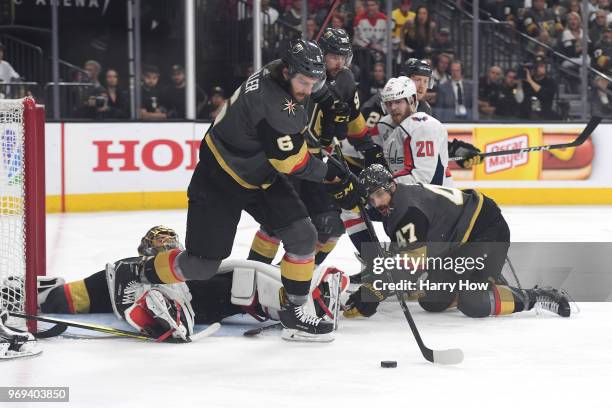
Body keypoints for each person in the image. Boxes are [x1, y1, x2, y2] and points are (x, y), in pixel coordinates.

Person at [108, 40, 348, 340]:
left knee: (303, 236)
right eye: (304, 82)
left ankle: (295, 313)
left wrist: (328, 99)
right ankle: (135, 273)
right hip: (219, 178)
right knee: (201, 265)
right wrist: (330, 172)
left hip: (258, 172)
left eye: (315, 83)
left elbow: (308, 95)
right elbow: (292, 162)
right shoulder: (271, 104)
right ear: (287, 73)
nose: (308, 90)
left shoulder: (279, 69)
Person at [2, 226, 348, 343]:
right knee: (125, 279)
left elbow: (249, 280)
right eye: (159, 242)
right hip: (158, 291)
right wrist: (26, 293)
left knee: (250, 281)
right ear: (145, 250)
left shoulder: (195, 266)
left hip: (203, 299)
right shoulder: (126, 267)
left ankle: (311, 300)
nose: (166, 245)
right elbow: (71, 295)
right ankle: (160, 311)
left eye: (171, 241)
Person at [343, 164, 573, 320]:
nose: (377, 202)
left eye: (379, 194)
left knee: (473, 303)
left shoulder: (407, 212)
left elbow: (409, 268)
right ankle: (484, 282)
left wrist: (372, 293)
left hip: (485, 232)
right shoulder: (396, 206)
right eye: (371, 199)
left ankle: (533, 295)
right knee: (433, 301)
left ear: (391, 186)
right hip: (455, 241)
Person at [248, 28, 380, 268]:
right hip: (288, 157)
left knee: (332, 225)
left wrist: (367, 145)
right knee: (278, 224)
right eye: (333, 56)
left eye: (343, 56)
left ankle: (300, 272)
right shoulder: (299, 76)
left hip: (319, 161)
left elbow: (353, 116)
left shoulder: (346, 79)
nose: (339, 62)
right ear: (322, 53)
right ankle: (253, 272)